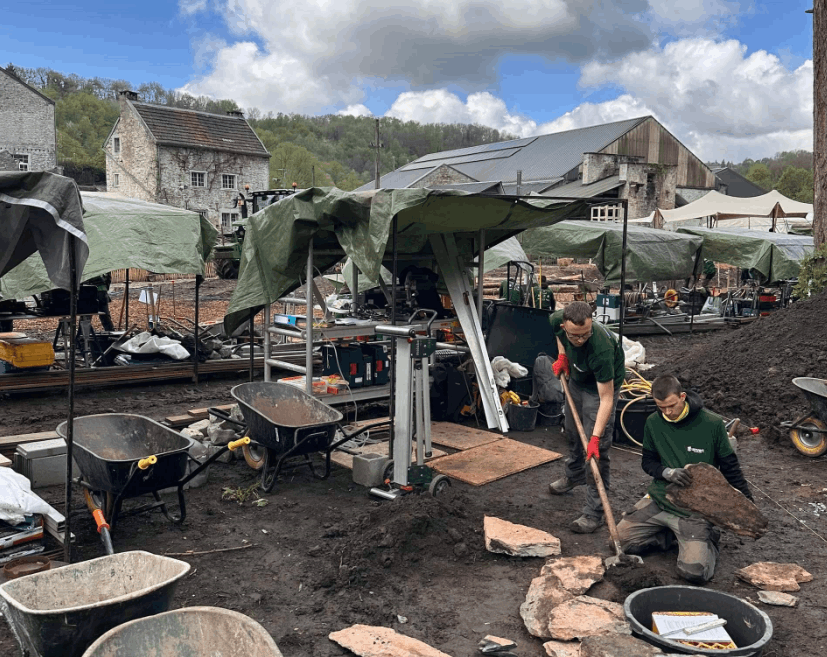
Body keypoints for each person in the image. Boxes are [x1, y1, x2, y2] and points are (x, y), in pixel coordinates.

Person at [617, 374, 752, 584]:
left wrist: (747, 505)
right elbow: (648, 462)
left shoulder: (712, 424)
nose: (668, 412)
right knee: (618, 541)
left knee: (694, 572)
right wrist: (667, 472)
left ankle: (708, 540)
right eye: (661, 407)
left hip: (695, 510)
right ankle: (668, 537)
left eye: (671, 405)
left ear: (682, 396)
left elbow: (731, 468)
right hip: (661, 499)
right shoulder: (654, 422)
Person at [547, 301, 626, 533]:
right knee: (572, 432)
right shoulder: (556, 320)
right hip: (577, 381)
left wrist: (595, 438)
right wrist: (563, 355)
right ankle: (575, 475)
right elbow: (559, 336)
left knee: (597, 451)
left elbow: (606, 400)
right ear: (564, 325)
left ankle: (594, 512)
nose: (580, 340)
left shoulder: (600, 348)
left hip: (599, 390)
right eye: (574, 336)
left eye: (585, 335)